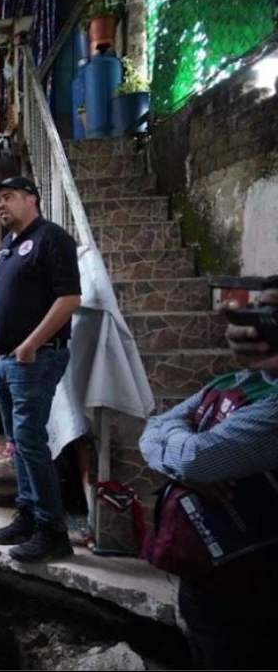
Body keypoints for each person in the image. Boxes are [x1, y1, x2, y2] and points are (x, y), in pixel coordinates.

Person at [138, 276, 278, 670]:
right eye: (260, 312)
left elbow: (194, 458)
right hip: (207, 571)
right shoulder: (238, 381)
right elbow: (152, 430)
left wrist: (183, 459)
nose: (258, 326)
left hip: (253, 584)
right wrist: (184, 465)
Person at [0, 176, 82, 562]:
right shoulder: (7, 246)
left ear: (32, 199)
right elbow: (3, 299)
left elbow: (69, 298)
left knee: (30, 440)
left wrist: (31, 343)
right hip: (5, 358)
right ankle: (26, 513)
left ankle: (52, 530)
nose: (0, 204)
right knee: (16, 442)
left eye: (8, 197)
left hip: (34, 358)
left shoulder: (51, 238)